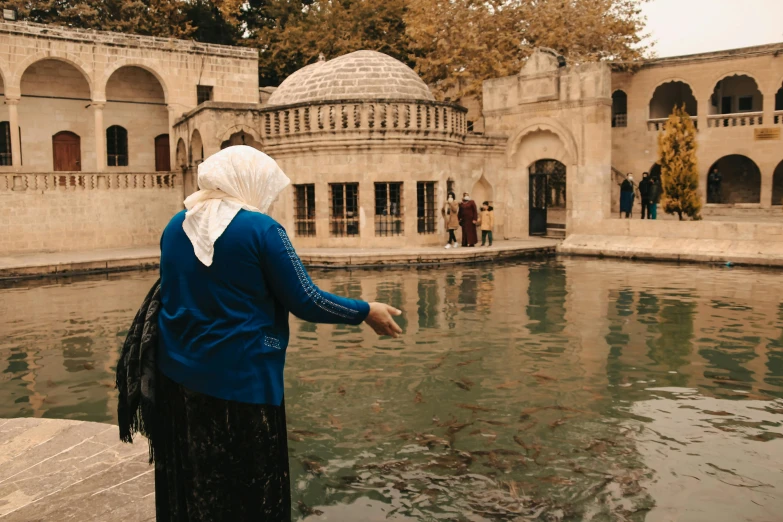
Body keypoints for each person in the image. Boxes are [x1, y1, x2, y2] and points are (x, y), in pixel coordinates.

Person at [154, 146, 402, 521]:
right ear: (250, 182)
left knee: (194, 477)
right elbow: (307, 300)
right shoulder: (262, 229)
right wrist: (366, 310)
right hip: (241, 382)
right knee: (250, 489)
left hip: (177, 374)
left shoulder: (177, 224)